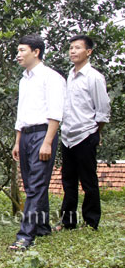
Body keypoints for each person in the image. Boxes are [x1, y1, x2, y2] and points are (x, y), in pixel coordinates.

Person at [9, 34, 66, 251]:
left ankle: (25, 236)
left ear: (36, 52)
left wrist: (48, 141)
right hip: (25, 134)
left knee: (36, 185)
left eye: (22, 50)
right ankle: (42, 227)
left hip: (43, 133)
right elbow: (21, 112)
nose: (18, 54)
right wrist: (17, 141)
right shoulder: (25, 79)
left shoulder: (52, 78)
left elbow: (55, 112)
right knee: (31, 183)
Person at [53, 35, 110, 231]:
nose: (73, 51)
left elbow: (102, 110)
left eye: (78, 48)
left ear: (88, 52)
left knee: (88, 181)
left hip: (86, 134)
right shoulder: (69, 75)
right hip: (68, 135)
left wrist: (96, 133)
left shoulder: (94, 77)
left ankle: (91, 221)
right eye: (71, 48)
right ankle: (68, 222)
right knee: (68, 181)